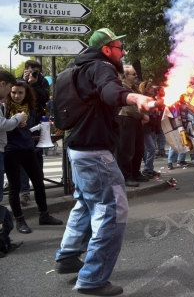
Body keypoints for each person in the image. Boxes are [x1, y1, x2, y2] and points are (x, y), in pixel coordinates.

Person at [54, 28, 154, 296]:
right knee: (112, 210)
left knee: (85, 203)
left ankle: (67, 255)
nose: (123, 53)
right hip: (95, 151)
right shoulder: (102, 67)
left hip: (78, 148)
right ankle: (92, 279)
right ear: (108, 49)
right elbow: (110, 90)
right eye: (120, 48)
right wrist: (134, 97)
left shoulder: (73, 70)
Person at [3, 80, 63, 233]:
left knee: (38, 182)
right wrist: (14, 123)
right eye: (14, 92)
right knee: (14, 187)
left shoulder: (31, 108)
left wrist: (43, 126)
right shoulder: (5, 108)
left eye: (20, 93)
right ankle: (20, 220)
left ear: (26, 93)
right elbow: (3, 128)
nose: (16, 96)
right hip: (11, 151)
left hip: (28, 148)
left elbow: (32, 128)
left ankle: (44, 215)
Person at [17, 59, 50, 207]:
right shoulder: (19, 81)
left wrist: (34, 84)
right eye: (31, 70)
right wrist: (25, 83)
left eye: (36, 70)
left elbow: (44, 99)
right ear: (25, 69)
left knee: (37, 156)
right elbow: (16, 99)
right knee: (22, 158)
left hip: (38, 123)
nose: (34, 73)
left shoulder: (42, 82)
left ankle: (39, 189)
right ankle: (24, 192)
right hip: (21, 123)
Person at [116, 66, 149, 187]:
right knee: (127, 149)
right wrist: (142, 116)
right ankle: (126, 176)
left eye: (135, 74)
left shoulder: (134, 88)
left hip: (135, 120)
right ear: (125, 76)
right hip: (126, 119)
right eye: (133, 74)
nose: (136, 76)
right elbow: (129, 108)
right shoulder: (123, 88)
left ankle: (135, 173)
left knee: (138, 148)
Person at [0, 71, 28, 205]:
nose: (10, 93)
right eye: (10, 89)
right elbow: (2, 124)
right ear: (2, 84)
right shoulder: (3, 104)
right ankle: (6, 222)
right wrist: (17, 118)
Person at [139, 81, 160, 178]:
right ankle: (147, 169)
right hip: (145, 128)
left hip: (151, 128)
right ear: (145, 89)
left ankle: (150, 168)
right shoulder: (143, 99)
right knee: (151, 148)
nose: (152, 89)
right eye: (150, 87)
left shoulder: (152, 99)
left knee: (150, 148)